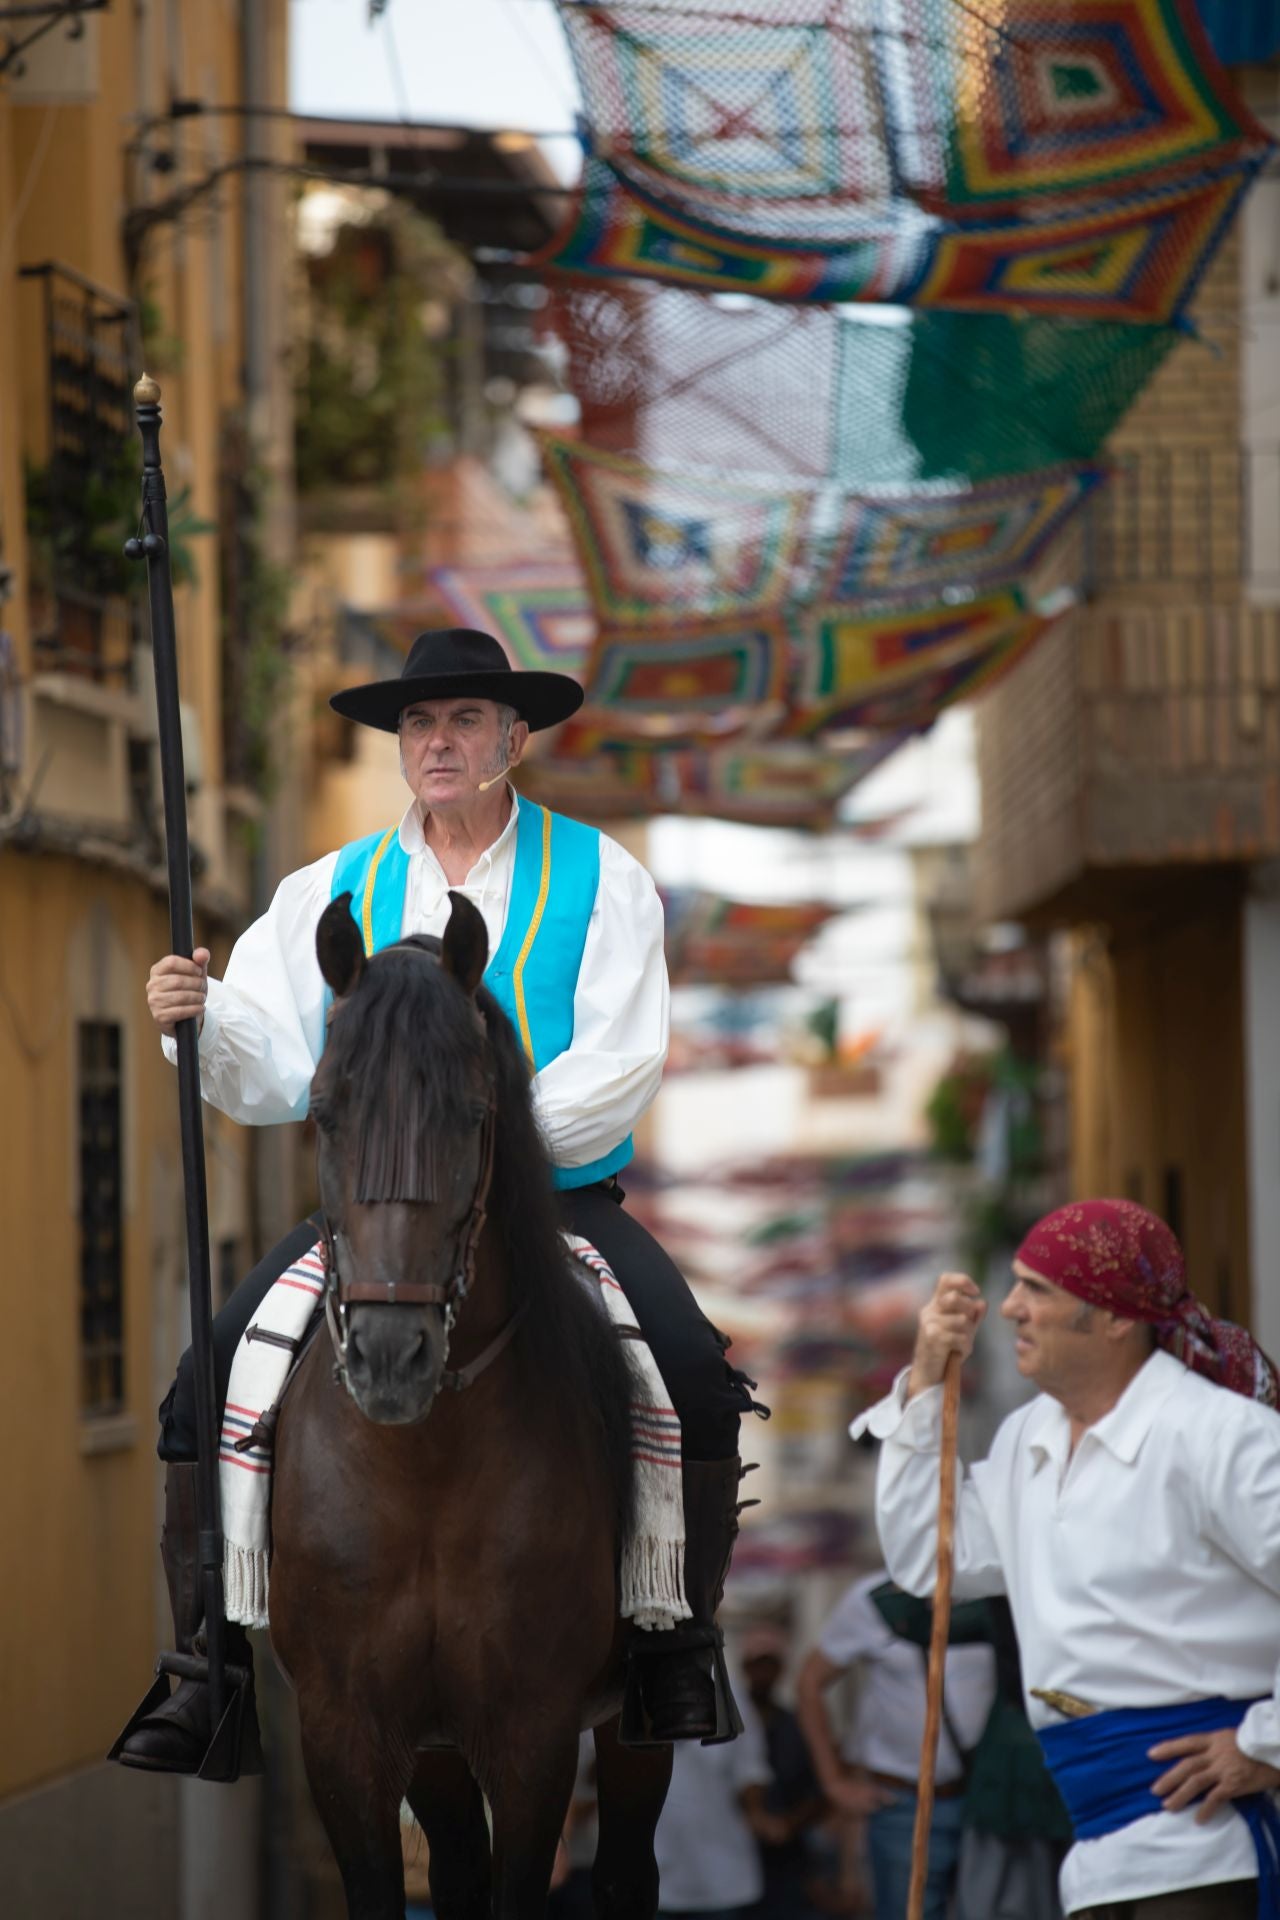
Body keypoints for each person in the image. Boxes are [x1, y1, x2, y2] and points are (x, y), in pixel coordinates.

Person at [116, 627, 756, 1774]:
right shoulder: (327, 888)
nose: (438, 742)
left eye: (464, 720)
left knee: (697, 1378)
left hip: (556, 1202)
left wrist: (489, 1160)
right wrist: (196, 1014)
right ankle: (205, 1665)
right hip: (373, 1217)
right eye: (418, 723)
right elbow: (266, 1064)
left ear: (515, 737)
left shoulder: (603, 878)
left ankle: (672, 1643)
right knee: (197, 1386)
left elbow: (619, 1061)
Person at [853, 1198, 1280, 1920]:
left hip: (1206, 1854)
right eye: (1017, 1284)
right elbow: (931, 1562)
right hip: (1095, 1857)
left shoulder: (1220, 1437)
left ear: (1115, 1318)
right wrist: (925, 1381)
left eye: (1038, 1290)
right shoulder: (1028, 1439)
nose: (1012, 1308)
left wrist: (1267, 1745)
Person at [797, 1569, 996, 1920]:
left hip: (984, 1798)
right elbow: (810, 1682)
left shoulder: (993, 1592)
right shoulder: (873, 1600)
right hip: (901, 1803)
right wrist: (834, 1784)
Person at [655, 1690, 781, 1920]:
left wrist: (755, 1811)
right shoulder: (631, 1690)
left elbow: (751, 1769)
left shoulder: (729, 1693)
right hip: (655, 1876)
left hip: (722, 1874)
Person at [740, 1626, 826, 1920]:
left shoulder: (797, 1725)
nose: (763, 1673)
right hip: (734, 1853)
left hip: (788, 1858)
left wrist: (789, 1824)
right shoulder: (725, 1729)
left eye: (770, 1664)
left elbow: (818, 1791)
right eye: (757, 1664)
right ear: (745, 1668)